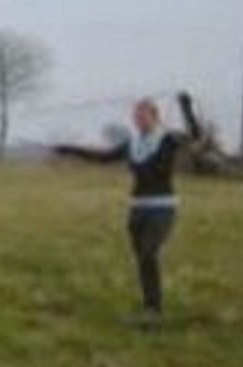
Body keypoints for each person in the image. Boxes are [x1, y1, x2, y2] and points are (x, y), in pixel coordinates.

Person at [56, 92, 201, 327]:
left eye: (143, 116)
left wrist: (186, 108)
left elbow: (196, 136)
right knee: (142, 260)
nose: (138, 121)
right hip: (137, 208)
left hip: (162, 208)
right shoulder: (132, 144)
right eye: (136, 117)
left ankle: (154, 311)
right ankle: (150, 307)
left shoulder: (168, 139)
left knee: (148, 253)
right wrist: (69, 150)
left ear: (155, 117)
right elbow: (103, 157)